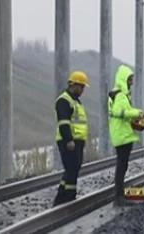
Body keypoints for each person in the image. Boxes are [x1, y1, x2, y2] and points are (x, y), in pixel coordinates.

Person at [108, 64, 144, 206]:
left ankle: (120, 194)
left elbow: (123, 112)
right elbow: (120, 112)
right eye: (129, 80)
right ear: (123, 79)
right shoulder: (120, 95)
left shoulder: (121, 95)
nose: (131, 83)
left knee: (123, 164)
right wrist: (137, 113)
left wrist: (136, 114)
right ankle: (118, 197)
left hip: (122, 133)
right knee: (122, 164)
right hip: (121, 134)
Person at [52, 70, 89, 207]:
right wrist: (68, 140)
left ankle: (61, 197)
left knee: (72, 169)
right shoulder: (63, 101)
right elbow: (64, 122)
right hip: (68, 141)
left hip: (77, 141)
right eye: (81, 87)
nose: (82, 90)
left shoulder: (75, 101)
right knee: (72, 169)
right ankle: (69, 199)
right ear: (73, 85)